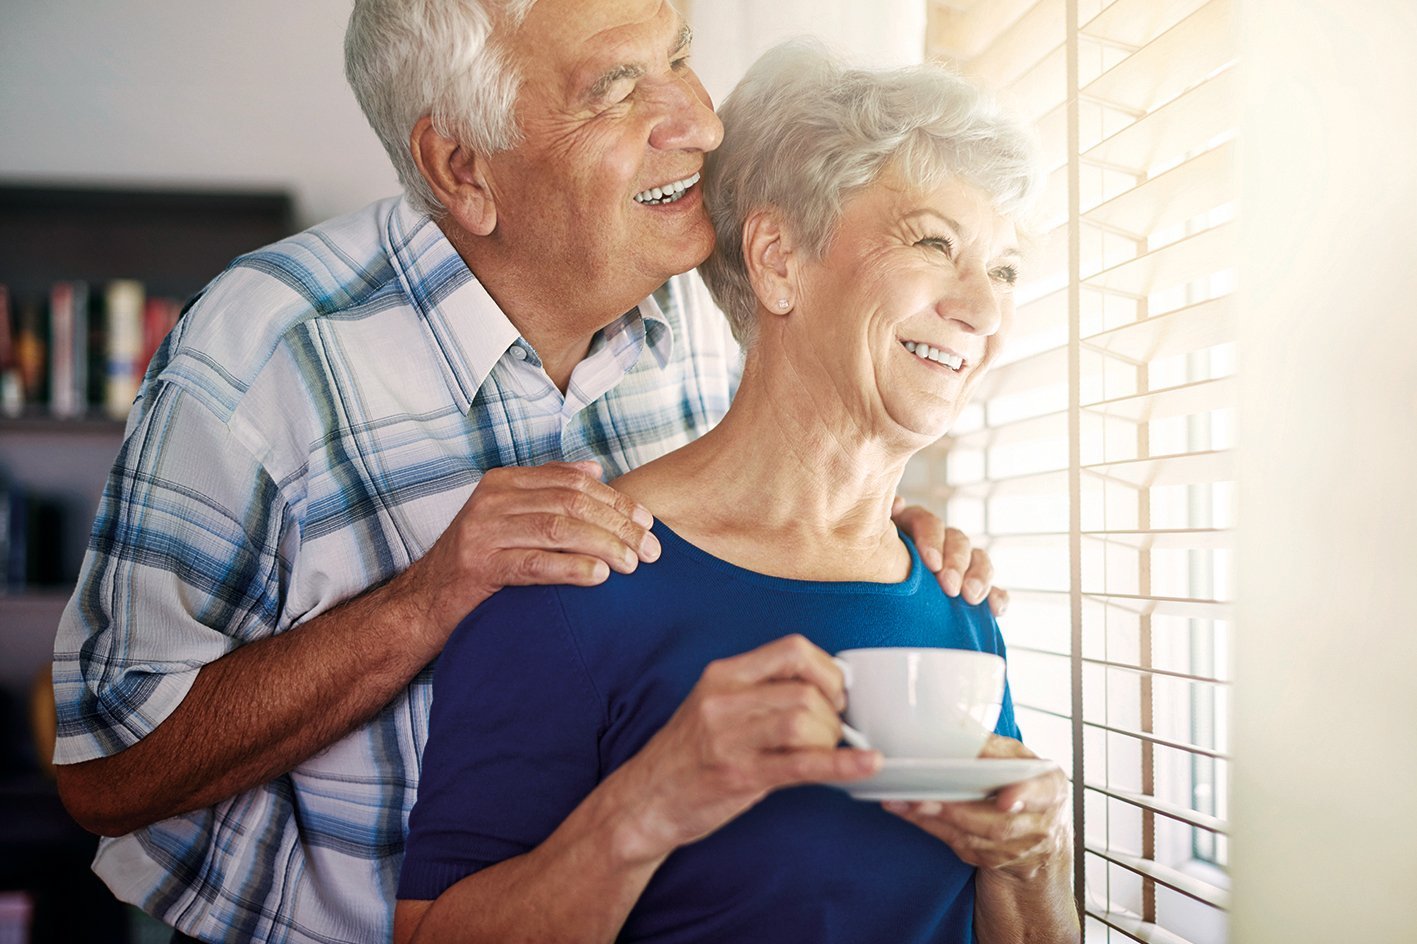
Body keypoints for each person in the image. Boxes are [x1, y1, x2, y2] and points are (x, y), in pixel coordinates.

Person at [48, 1, 1002, 942]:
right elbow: (106, 773)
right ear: (460, 166)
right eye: (618, 88)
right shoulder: (264, 356)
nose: (700, 122)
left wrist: (864, 540)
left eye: (678, 57)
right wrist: (427, 599)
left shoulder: (697, 325)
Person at [396, 41, 1078, 944]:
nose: (983, 311)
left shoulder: (956, 603)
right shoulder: (575, 582)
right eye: (932, 242)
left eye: (1002, 270)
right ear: (778, 259)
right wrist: (648, 805)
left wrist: (1032, 862)